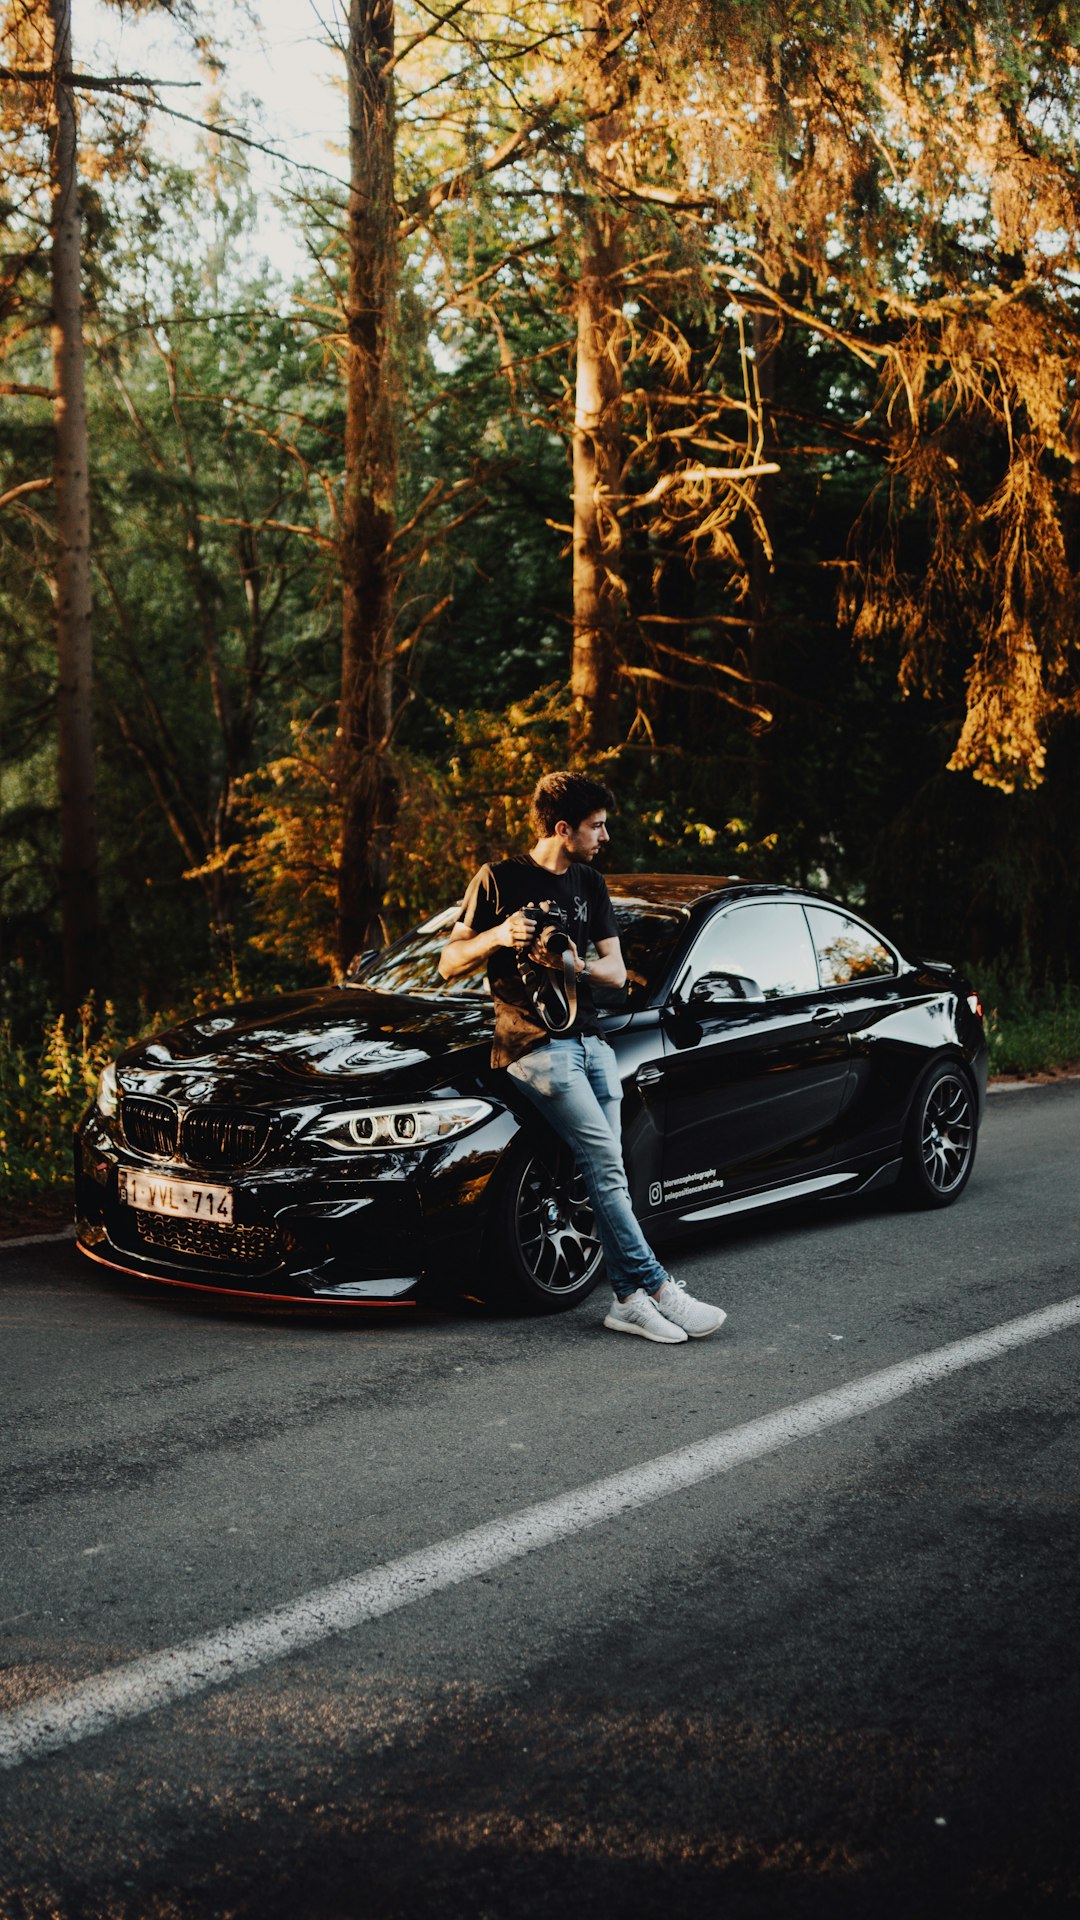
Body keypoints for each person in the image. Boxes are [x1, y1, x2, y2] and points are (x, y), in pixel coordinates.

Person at [438, 771, 727, 1344]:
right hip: (535, 1048)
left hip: (594, 1045)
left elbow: (616, 975)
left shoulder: (590, 883)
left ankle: (626, 1302)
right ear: (563, 828)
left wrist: (569, 965)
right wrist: (500, 937)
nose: (604, 835)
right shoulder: (497, 879)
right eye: (596, 826)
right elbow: (449, 962)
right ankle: (659, 1288)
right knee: (601, 1160)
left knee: (609, 1171)